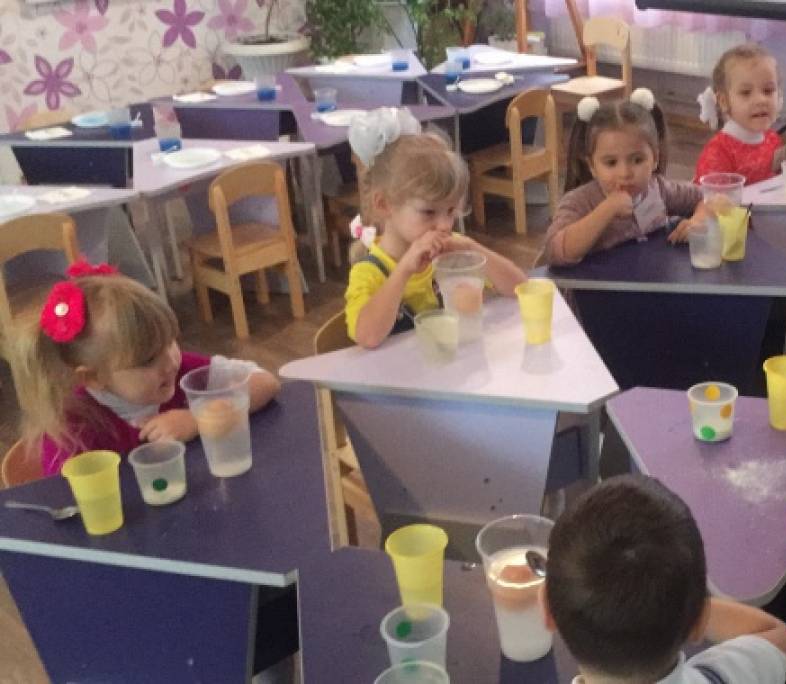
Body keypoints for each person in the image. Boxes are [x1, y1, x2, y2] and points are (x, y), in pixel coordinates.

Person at [10, 264, 279, 476]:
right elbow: (73, 504)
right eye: (148, 359)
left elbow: (265, 382)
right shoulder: (72, 430)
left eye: (170, 341)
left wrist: (196, 419)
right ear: (93, 377)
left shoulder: (181, 372)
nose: (170, 361)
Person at [543, 474, 786, 683]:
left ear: (547, 609)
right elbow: (778, 636)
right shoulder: (725, 675)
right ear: (699, 623)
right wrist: (685, 605)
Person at [344, 107, 525, 348]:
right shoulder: (369, 272)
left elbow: (520, 288)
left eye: (450, 211)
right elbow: (367, 337)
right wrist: (404, 269)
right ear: (384, 204)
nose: (445, 225)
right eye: (428, 212)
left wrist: (472, 249)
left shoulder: (451, 254)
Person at [543, 89, 709, 266]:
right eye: (611, 163)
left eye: (637, 160)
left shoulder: (658, 189)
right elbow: (554, 251)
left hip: (649, 277)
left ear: (655, 158)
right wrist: (606, 210)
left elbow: (703, 196)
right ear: (592, 165)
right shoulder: (579, 202)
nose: (625, 173)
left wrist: (698, 219)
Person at [693, 43, 786, 185]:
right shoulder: (719, 152)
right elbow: (713, 198)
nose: (761, 100)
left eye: (768, 91)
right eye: (746, 93)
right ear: (724, 101)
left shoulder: (773, 140)